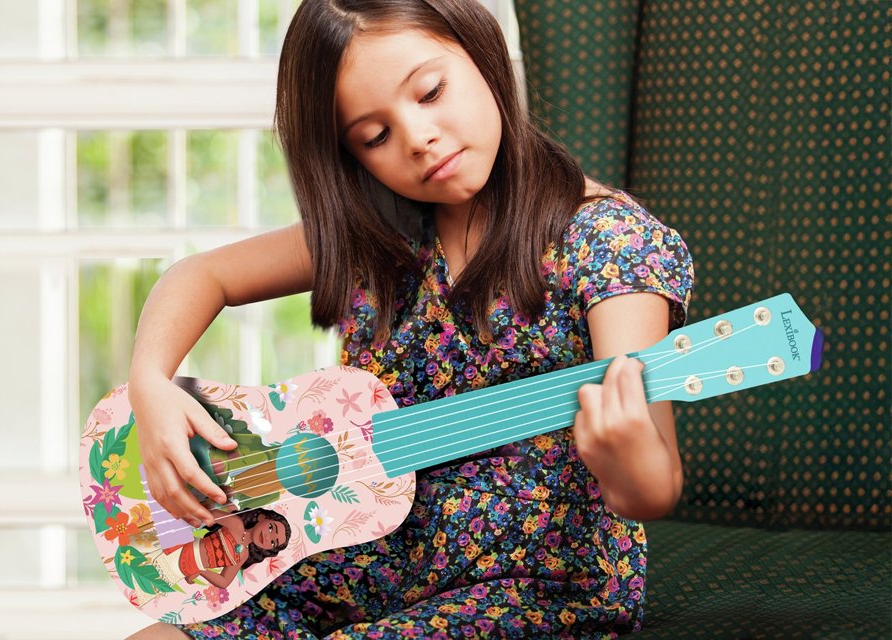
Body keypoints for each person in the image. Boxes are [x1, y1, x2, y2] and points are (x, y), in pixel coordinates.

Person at [126, 0, 693, 638]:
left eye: (430, 92)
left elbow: (653, 484)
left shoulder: (609, 243)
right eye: (375, 136)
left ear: (482, 54)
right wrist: (150, 383)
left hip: (534, 585)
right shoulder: (378, 231)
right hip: (368, 560)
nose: (417, 137)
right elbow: (200, 275)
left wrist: (630, 462)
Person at [151, 508, 292, 590]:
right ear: (262, 517)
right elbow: (205, 513)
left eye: (273, 542)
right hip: (182, 549)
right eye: (270, 528)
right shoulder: (236, 524)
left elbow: (224, 582)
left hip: (188, 569)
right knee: (145, 562)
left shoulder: (243, 555)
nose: (268, 538)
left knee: (148, 587)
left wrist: (201, 571)